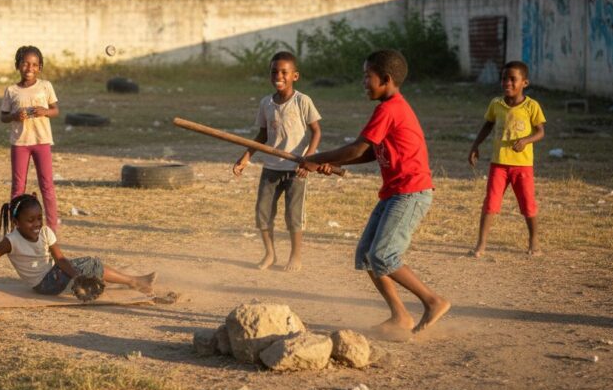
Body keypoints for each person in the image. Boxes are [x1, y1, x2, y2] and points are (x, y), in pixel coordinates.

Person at [303, 50, 449, 335]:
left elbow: (357, 147)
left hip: (411, 192)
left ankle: (433, 301)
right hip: (395, 191)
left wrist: (317, 159)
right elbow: (370, 152)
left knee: (383, 256)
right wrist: (327, 163)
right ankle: (400, 316)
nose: (363, 82)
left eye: (366, 76)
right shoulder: (387, 108)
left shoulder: (390, 109)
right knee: (367, 255)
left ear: (386, 79)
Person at [0, 194, 156, 299]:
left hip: (54, 276)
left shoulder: (46, 232)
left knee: (89, 265)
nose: (37, 224)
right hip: (44, 285)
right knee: (90, 263)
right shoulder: (11, 240)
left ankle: (129, 281)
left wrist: (75, 276)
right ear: (17, 223)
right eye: (30, 220)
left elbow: (60, 258)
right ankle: (133, 281)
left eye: (39, 218)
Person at [233, 51, 321, 272]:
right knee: (262, 213)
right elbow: (262, 136)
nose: (278, 76)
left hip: (296, 168)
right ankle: (270, 253)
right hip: (271, 168)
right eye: (274, 72)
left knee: (293, 215)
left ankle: (295, 256)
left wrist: (308, 160)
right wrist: (246, 157)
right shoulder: (266, 103)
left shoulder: (303, 101)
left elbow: (316, 132)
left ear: (295, 76)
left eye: (284, 72)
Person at [467, 60, 546, 257]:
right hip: (498, 165)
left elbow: (540, 132)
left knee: (528, 204)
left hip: (522, 166)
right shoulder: (496, 104)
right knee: (490, 203)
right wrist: (475, 145)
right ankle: (481, 244)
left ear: (524, 83)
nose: (507, 83)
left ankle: (534, 240)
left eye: (513, 79)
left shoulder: (531, 106)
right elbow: (487, 125)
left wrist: (526, 140)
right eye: (504, 78)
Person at [0, 46, 61, 232]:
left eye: (34, 65)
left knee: (47, 185)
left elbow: (55, 110)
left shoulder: (45, 86)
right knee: (18, 186)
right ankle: (15, 227)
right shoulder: (11, 90)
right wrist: (14, 116)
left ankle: (51, 228)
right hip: (20, 143)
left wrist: (45, 112)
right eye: (25, 63)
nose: (29, 68)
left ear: (40, 67)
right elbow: (3, 117)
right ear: (18, 65)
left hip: (42, 141)